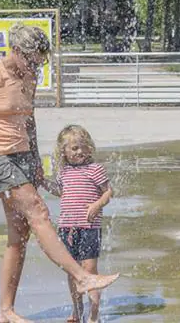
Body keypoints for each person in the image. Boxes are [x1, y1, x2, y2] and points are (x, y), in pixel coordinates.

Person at [0, 22, 118, 323]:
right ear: (15, 50)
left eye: (39, 60)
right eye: (31, 58)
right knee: (38, 211)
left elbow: (29, 120)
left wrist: (36, 160)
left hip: (22, 155)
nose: (35, 64)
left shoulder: (31, 75)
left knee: (19, 234)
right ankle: (81, 276)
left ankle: (5, 311)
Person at [45, 125, 112, 323]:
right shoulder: (63, 172)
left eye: (83, 146)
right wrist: (41, 181)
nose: (80, 151)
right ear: (63, 151)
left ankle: (93, 314)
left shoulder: (95, 169)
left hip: (89, 228)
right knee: (73, 272)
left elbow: (108, 192)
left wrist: (97, 204)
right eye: (74, 148)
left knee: (90, 271)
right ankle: (77, 310)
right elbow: (60, 191)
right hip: (67, 228)